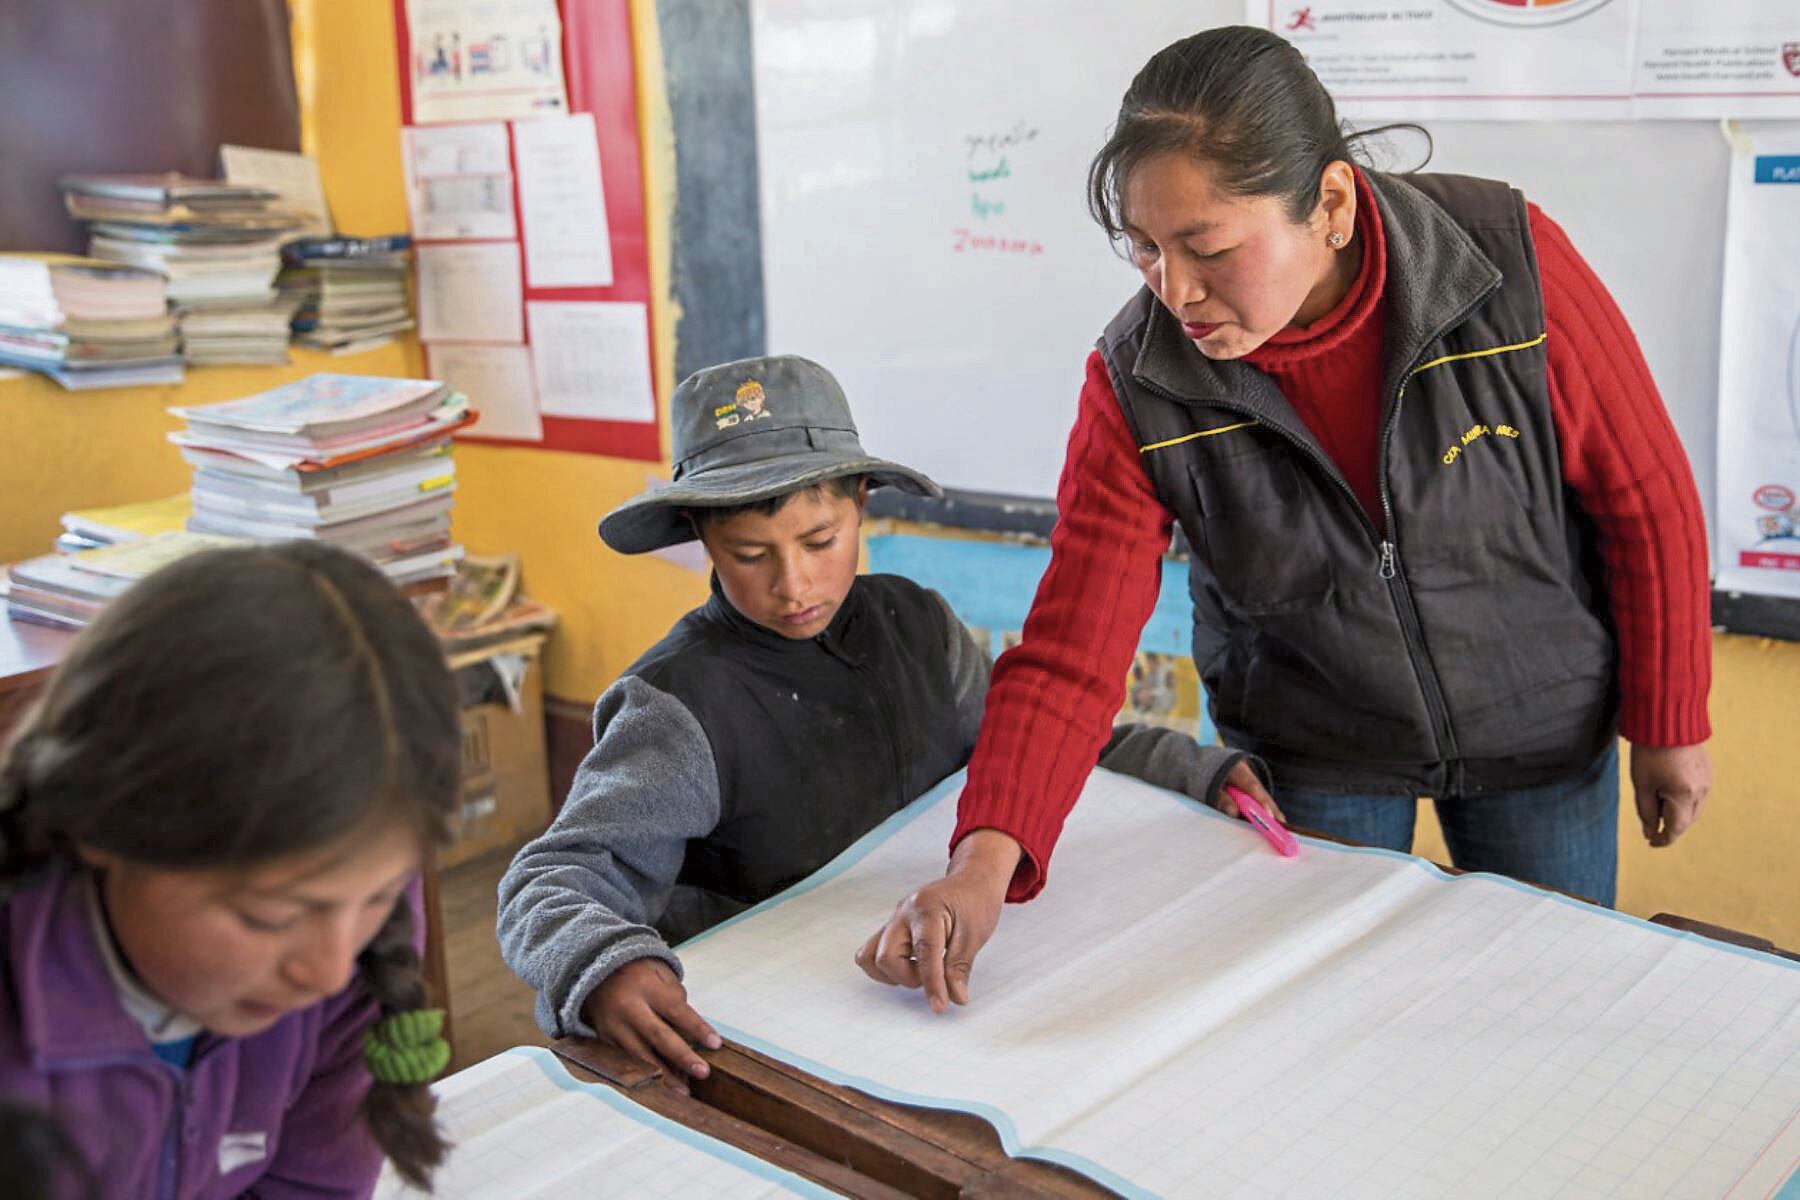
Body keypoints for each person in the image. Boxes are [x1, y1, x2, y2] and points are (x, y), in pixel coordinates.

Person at [858, 25, 1713, 1010]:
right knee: (1335, 1020)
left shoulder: (1505, 266)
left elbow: (1644, 495)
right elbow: (1070, 652)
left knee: (1547, 1008)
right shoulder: (1141, 380)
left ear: (1333, 205)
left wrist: (1670, 721)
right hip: (1319, 748)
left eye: (1208, 248)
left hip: (1540, 730)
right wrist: (979, 866)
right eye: (1145, 250)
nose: (1176, 292)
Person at [496, 354, 1258, 1084]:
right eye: (750, 554)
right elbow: (553, 878)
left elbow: (1025, 743)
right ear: (702, 538)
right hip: (774, 1035)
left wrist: (1183, 767)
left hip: (940, 1008)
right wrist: (602, 966)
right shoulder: (675, 705)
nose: (794, 584)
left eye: (820, 542)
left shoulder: (917, 624)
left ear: (860, 502)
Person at [0, 541, 462, 1195]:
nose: (329, 971)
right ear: (101, 823)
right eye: (266, 916)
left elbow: (313, 1186)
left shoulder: (350, 928)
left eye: (380, 897)